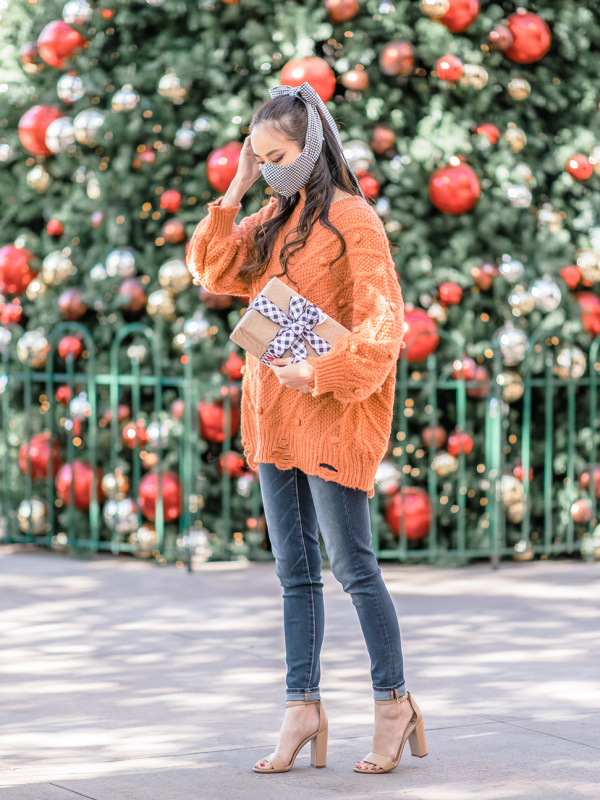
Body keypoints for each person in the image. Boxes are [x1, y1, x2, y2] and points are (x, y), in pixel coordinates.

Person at [186, 82, 427, 775]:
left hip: (330, 415)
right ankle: (303, 708)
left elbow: (383, 330)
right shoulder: (273, 216)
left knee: (353, 568)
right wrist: (236, 188)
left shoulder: (354, 220)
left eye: (279, 157)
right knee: (294, 573)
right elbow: (211, 268)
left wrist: (319, 370)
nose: (271, 170)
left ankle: (394, 703)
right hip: (272, 415)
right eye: (260, 158)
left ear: (313, 146)